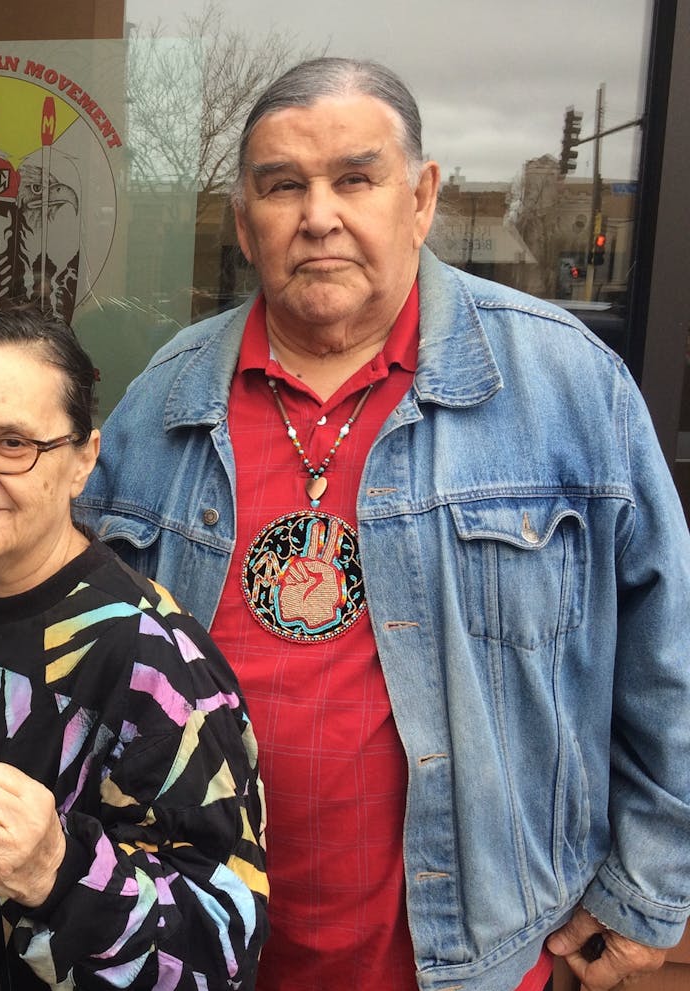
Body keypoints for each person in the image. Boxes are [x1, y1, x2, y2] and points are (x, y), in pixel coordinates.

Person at [76, 57, 690, 991]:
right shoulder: (164, 396)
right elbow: (74, 612)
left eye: (355, 178)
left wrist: (649, 885)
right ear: (245, 224)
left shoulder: (567, 386)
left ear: (421, 196)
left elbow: (670, 655)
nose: (319, 214)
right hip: (203, 946)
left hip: (474, 957)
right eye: (284, 186)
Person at [0, 306, 268, 990]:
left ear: (83, 460)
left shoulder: (155, 659)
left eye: (12, 443)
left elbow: (224, 943)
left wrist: (58, 871)